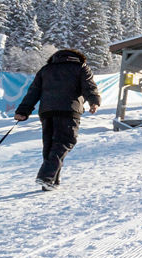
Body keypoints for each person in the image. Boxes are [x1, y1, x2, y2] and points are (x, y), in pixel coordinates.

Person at [14, 48, 101, 191]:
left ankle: (51, 181)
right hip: (69, 110)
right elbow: (89, 87)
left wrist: (23, 111)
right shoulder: (81, 67)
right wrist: (94, 102)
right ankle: (46, 177)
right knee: (65, 141)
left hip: (47, 111)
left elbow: (33, 91)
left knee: (49, 146)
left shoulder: (46, 69)